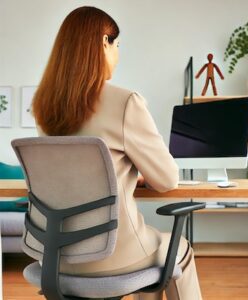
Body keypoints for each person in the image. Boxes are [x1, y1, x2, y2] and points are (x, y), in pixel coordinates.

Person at [32, 6, 202, 300]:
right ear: (103, 43)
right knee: (178, 250)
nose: (118, 54)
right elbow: (167, 179)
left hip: (55, 258)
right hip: (113, 256)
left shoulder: (44, 107)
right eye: (117, 44)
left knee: (151, 255)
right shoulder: (126, 102)